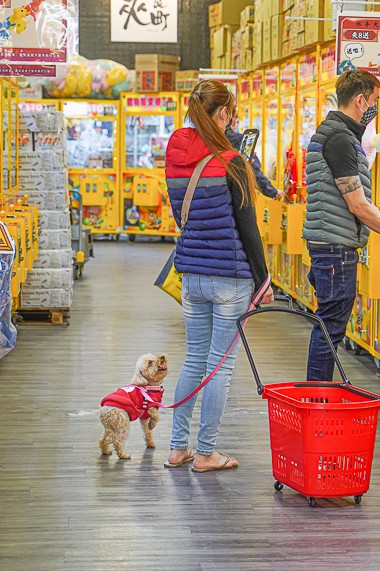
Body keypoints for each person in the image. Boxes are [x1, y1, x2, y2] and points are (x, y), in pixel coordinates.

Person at [164, 80, 274, 472]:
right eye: (232, 113)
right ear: (224, 115)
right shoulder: (233, 161)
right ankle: (206, 452)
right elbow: (249, 230)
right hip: (229, 276)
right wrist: (264, 282)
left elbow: (181, 216)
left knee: (194, 359)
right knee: (218, 366)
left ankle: (178, 447)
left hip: (191, 272)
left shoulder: (174, 156)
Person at [303, 69, 380, 382]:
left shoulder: (331, 132)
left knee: (327, 322)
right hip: (335, 246)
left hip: (324, 240)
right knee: (330, 325)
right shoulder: (340, 139)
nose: (376, 109)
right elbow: (357, 203)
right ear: (360, 100)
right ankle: (317, 398)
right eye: (375, 102)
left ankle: (317, 394)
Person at [224, 119, 285, 201]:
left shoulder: (209, 139)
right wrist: (272, 191)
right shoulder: (239, 140)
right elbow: (254, 171)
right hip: (235, 199)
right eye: (237, 120)